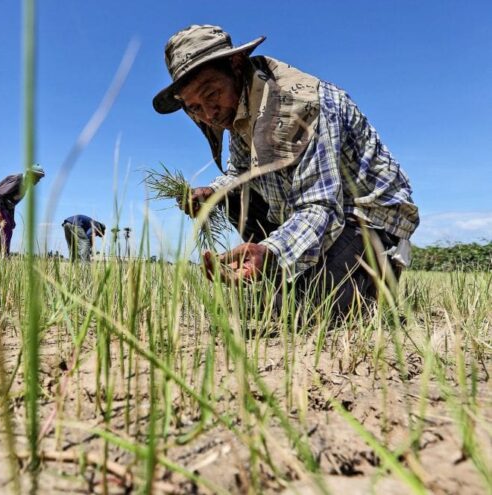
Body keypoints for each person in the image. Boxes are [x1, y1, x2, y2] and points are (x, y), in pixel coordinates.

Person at [152, 25, 419, 316]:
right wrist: (212, 192)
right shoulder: (238, 109)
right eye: (194, 108)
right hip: (309, 214)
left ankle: (373, 280)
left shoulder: (300, 106)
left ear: (236, 64)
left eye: (212, 94)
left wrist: (272, 252)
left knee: (294, 314)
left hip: (365, 219)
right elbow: (240, 173)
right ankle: (285, 277)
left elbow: (321, 207)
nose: (209, 114)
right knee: (229, 195)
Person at [0, 165, 46, 256]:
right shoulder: (17, 180)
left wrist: (12, 219)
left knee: (8, 233)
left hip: (5, 208)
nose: (38, 180)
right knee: (2, 234)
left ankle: (5, 257)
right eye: (37, 177)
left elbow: (11, 203)